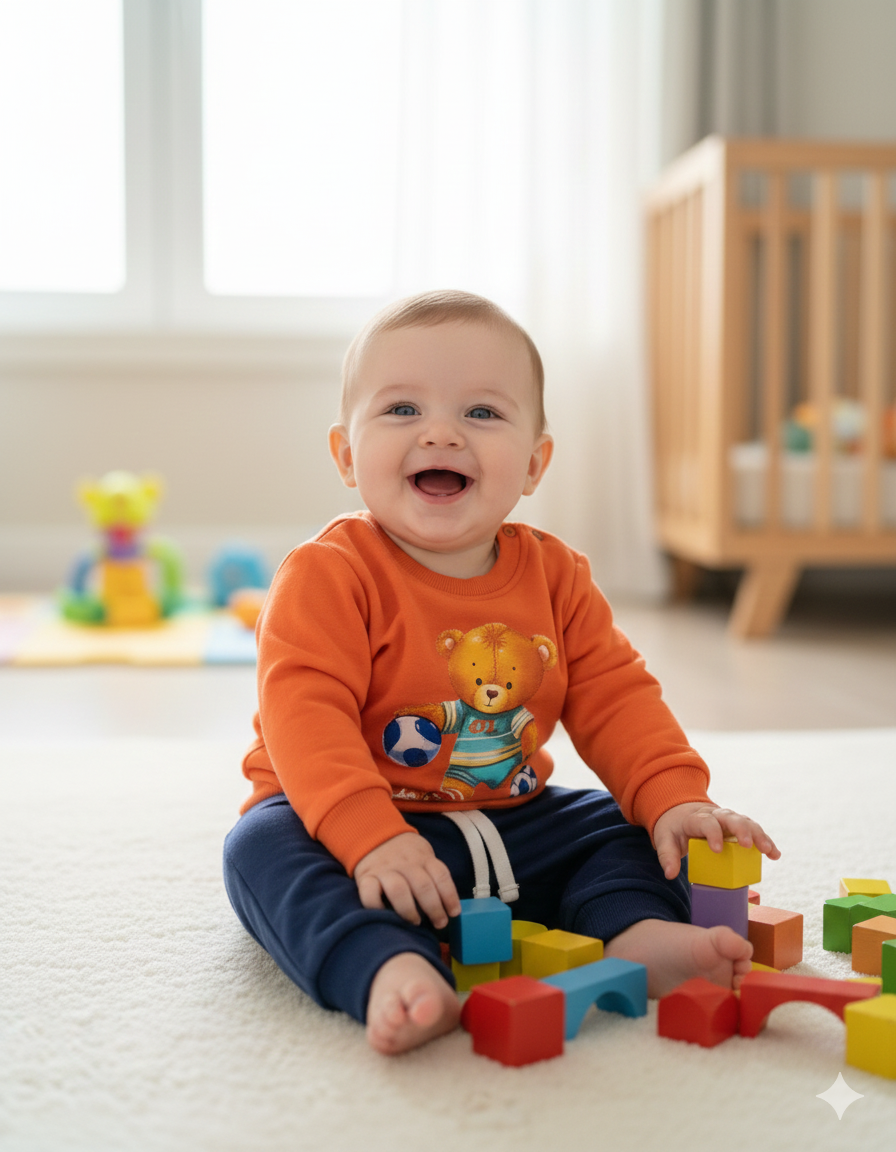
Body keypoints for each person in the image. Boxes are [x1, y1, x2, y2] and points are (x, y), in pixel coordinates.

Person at [223, 290, 779, 1056]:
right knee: (260, 848)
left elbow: (616, 696)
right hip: (349, 827)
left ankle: (635, 932)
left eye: (481, 413)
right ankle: (386, 966)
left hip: (510, 819)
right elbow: (304, 717)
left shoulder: (557, 577)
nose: (441, 433)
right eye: (402, 410)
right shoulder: (328, 574)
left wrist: (675, 796)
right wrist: (370, 838)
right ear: (347, 456)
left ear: (535, 463)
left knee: (632, 828)